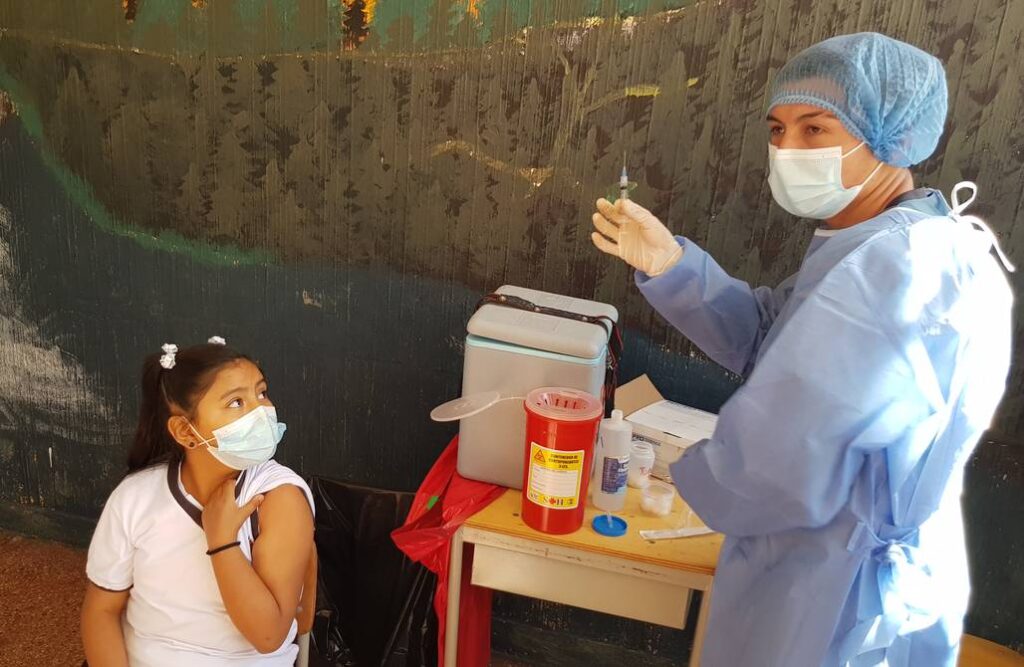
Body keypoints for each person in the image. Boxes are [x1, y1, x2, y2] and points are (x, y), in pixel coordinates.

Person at [591, 33, 1013, 666]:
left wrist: (676, 470)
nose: (787, 149)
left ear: (889, 138)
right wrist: (672, 264)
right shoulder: (896, 240)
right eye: (777, 129)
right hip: (849, 563)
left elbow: (776, 462)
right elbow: (776, 337)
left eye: (815, 129)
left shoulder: (889, 267)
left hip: (830, 588)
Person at [80, 337, 315, 666]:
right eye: (236, 402)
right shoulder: (136, 497)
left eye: (261, 393)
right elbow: (102, 610)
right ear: (186, 432)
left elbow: (268, 635)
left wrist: (222, 542)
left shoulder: (279, 498)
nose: (262, 411)